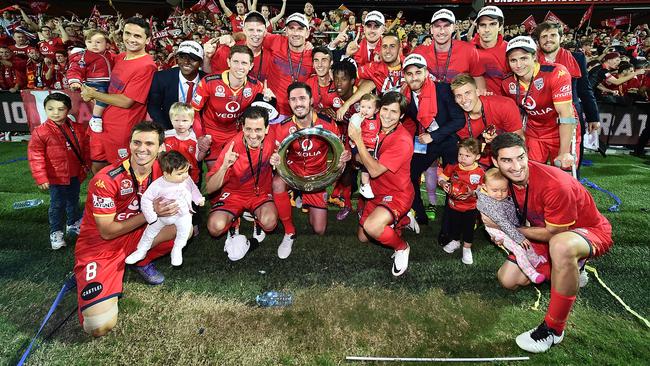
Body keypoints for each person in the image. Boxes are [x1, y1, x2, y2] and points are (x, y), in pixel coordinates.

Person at [487, 133, 613, 353]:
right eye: (507, 161)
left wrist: (508, 229)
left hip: (585, 232)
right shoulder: (499, 180)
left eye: (520, 157)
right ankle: (569, 269)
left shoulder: (555, 184)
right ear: (495, 163)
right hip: (543, 232)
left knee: (562, 246)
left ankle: (554, 329)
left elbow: (554, 233)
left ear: (527, 155)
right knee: (507, 280)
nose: (516, 166)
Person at [74, 121, 178, 337]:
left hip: (135, 235)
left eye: (150, 143)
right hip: (101, 246)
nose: (142, 149)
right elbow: (107, 231)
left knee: (183, 229)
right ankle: (103, 271)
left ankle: (139, 260)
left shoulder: (164, 172)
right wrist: (152, 213)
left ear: (161, 148)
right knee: (98, 326)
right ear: (129, 144)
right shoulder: (105, 180)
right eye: (136, 142)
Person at [269, 82, 351, 259]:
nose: (298, 103)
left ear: (311, 100)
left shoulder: (328, 124)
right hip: (293, 172)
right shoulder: (282, 127)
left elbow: (342, 150)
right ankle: (289, 232)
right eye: (293, 99)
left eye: (302, 98)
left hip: (316, 176)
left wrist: (345, 157)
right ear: (288, 102)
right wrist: (274, 159)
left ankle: (304, 198)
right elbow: (275, 153)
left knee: (319, 230)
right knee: (276, 183)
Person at [348, 91, 413, 276]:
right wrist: (354, 154)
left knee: (372, 227)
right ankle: (403, 219)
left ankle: (402, 247)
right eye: (385, 109)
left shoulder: (403, 140)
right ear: (379, 109)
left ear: (401, 116)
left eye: (394, 112)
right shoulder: (374, 125)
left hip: (397, 193)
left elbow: (375, 170)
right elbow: (360, 157)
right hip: (376, 190)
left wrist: (358, 140)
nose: (387, 115)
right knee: (363, 238)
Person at [80, 17, 157, 174]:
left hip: (122, 129)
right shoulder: (120, 57)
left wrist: (93, 94)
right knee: (98, 168)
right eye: (127, 33)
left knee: (121, 174)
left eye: (137, 36)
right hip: (102, 123)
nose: (131, 39)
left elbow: (126, 101)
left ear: (147, 39)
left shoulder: (147, 66)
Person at [205, 106, 278, 260]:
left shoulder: (273, 137)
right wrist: (225, 166)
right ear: (242, 127)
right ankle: (234, 221)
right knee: (214, 227)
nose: (253, 135)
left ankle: (257, 219)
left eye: (258, 130)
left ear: (266, 129)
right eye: (248, 129)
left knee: (270, 223)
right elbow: (210, 188)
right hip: (234, 194)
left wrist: (279, 162)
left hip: (260, 193)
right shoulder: (232, 147)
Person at [400, 53, 465, 225]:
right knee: (411, 174)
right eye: (409, 73)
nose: (414, 77)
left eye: (418, 72)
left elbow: (459, 120)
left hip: (448, 140)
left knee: (459, 179)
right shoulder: (405, 96)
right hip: (425, 142)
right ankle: (419, 214)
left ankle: (459, 216)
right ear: (404, 76)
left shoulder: (443, 89)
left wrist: (434, 136)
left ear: (426, 73)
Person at [502, 36, 578, 171]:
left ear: (534, 56)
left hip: (560, 129)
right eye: (513, 60)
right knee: (532, 173)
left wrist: (564, 151)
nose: (518, 65)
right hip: (535, 131)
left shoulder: (556, 72)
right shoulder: (507, 83)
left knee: (564, 173)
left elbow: (566, 114)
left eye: (524, 58)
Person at [191, 45, 272, 169]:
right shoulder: (209, 82)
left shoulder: (257, 87)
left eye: (244, 63)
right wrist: (200, 136)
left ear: (251, 66)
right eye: (236, 62)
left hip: (237, 133)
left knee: (238, 171)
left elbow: (265, 116)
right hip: (212, 133)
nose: (240, 67)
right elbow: (194, 112)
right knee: (216, 170)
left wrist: (270, 101)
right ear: (228, 62)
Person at [28, 92, 89, 249]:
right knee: (57, 205)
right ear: (45, 110)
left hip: (74, 174)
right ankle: (56, 232)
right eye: (51, 109)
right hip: (55, 177)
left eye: (61, 109)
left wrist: (86, 165)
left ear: (68, 110)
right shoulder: (40, 131)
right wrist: (41, 177)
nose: (55, 113)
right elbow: (35, 156)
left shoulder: (77, 128)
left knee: (73, 201)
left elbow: (85, 149)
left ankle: (73, 223)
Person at [125, 151, 204, 266]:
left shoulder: (186, 179)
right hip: (161, 216)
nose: (186, 175)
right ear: (166, 174)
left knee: (184, 231)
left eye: (187, 171)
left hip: (182, 214)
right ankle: (141, 251)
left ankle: (177, 249)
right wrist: (151, 216)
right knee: (149, 233)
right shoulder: (158, 185)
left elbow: (193, 189)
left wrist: (198, 199)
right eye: (180, 173)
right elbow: (146, 199)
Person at [476, 168, 546, 284]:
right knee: (518, 248)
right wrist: (519, 237)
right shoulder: (488, 204)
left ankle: (536, 261)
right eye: (495, 190)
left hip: (510, 226)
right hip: (499, 230)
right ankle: (531, 273)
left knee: (526, 245)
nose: (499, 194)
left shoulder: (499, 196)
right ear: (484, 187)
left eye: (504, 190)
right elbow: (502, 222)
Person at [450, 73, 523, 167]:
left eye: (467, 93)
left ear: (477, 92)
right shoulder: (457, 121)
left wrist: (498, 141)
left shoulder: (504, 105)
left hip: (507, 159)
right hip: (476, 163)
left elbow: (519, 140)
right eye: (459, 96)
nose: (464, 100)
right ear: (455, 99)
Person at [438, 138, 485, 265]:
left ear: (477, 156)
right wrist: (443, 183)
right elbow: (442, 177)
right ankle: (455, 241)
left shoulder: (480, 172)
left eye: (467, 155)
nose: (462, 158)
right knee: (454, 225)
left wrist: (473, 192)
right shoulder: (453, 167)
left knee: (468, 228)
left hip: (471, 207)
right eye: (460, 154)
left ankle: (467, 248)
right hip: (454, 205)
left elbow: (483, 188)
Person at [413, 9, 485, 89]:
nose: (442, 31)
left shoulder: (469, 50)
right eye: (437, 26)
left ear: (454, 28)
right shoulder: (419, 52)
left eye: (446, 26)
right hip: (429, 100)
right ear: (431, 29)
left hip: (460, 100)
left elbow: (478, 79)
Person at [147, 41, 207, 130]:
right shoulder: (161, 78)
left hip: (199, 129)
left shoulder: (208, 80)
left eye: (193, 58)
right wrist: (166, 130)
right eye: (182, 57)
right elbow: (154, 106)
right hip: (169, 127)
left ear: (201, 62)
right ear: (177, 59)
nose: (186, 62)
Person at [67, 30, 114, 133]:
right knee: (102, 97)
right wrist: (74, 81)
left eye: (98, 42)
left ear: (107, 45)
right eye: (90, 42)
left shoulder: (110, 55)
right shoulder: (83, 56)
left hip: (109, 82)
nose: (94, 45)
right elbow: (75, 69)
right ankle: (96, 118)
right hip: (94, 83)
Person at [470, 6, 509, 95]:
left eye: (492, 24)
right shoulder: (467, 50)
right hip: (474, 106)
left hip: (503, 104)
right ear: (478, 28)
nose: (487, 30)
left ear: (500, 26)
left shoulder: (510, 51)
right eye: (483, 25)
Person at [350, 93, 380, 199]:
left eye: (369, 107)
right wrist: (358, 121)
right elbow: (351, 133)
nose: (365, 110)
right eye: (363, 107)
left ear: (376, 110)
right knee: (368, 161)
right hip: (360, 146)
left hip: (373, 146)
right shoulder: (358, 118)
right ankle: (364, 185)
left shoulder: (378, 118)